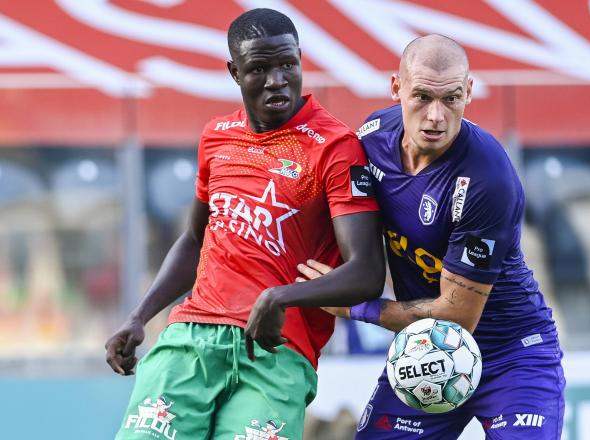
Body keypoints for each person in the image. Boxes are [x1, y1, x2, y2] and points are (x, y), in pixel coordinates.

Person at [105, 8, 385, 440]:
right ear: (234, 72)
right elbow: (196, 238)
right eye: (259, 69)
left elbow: (366, 271)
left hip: (276, 350)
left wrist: (282, 297)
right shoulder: (217, 136)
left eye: (288, 64)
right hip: (190, 342)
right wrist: (140, 315)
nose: (278, 80)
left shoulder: (336, 147)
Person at [297, 35, 565, 439]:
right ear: (396, 88)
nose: (436, 116)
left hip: (512, 356)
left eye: (451, 98)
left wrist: (355, 307)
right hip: (424, 353)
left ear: (469, 92)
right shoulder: (371, 138)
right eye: (421, 96)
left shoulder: (487, 178)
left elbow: (457, 317)